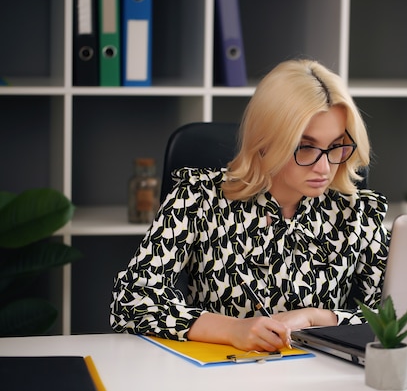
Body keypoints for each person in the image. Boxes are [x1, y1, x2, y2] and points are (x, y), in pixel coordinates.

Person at [110, 59, 390, 352]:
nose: (324, 167)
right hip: (222, 373)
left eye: (336, 146)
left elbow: (397, 314)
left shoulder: (357, 212)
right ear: (266, 141)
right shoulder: (198, 198)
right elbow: (131, 299)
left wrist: (317, 318)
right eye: (305, 147)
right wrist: (232, 329)